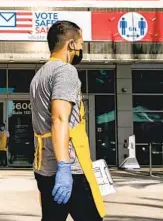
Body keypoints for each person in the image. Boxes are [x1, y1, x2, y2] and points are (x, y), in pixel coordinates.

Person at [29, 21, 106, 221]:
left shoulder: (39, 75)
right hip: (70, 169)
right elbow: (60, 118)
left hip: (44, 167)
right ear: (71, 44)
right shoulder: (65, 71)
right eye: (81, 43)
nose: (81, 48)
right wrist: (64, 167)